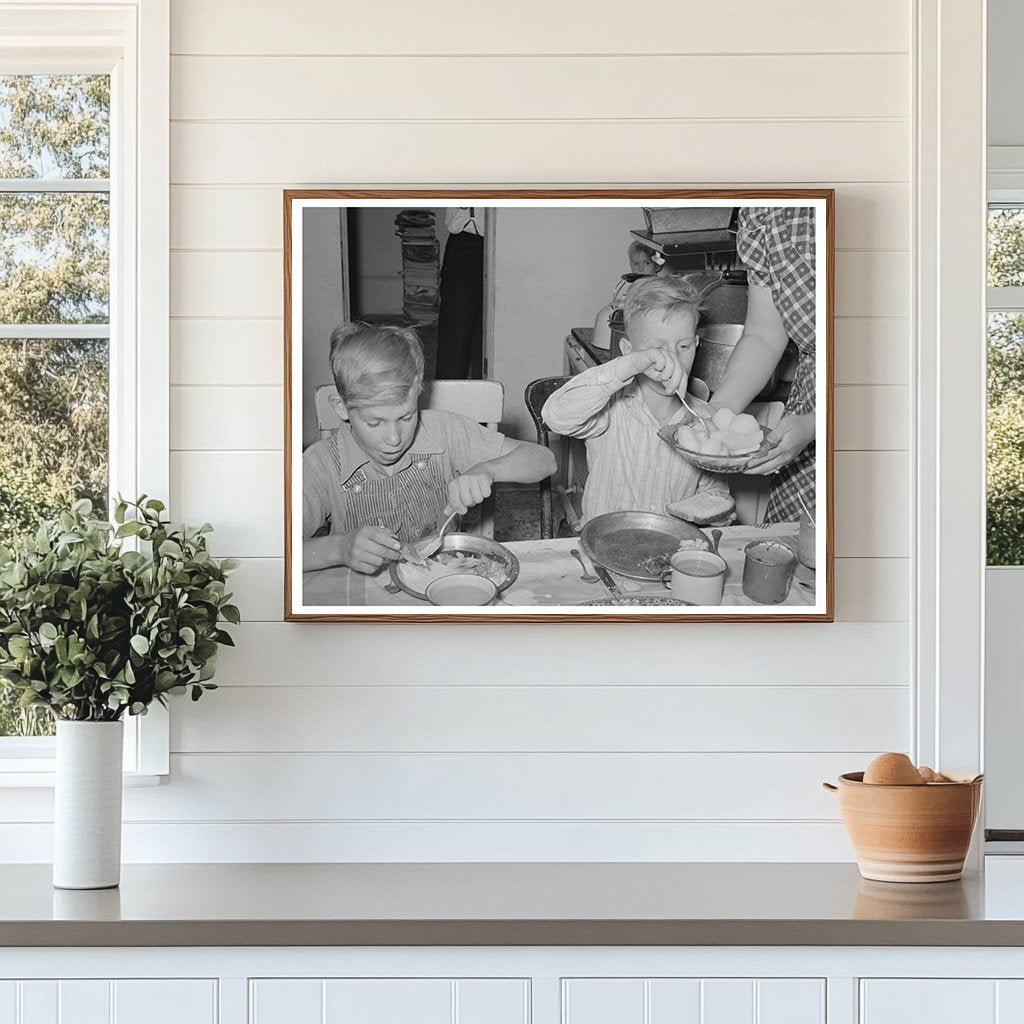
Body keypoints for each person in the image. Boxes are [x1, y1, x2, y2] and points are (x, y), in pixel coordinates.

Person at [302, 323, 555, 574]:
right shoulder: (320, 464)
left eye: (406, 417)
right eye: (374, 422)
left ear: (418, 392)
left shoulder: (443, 430)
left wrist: (489, 469)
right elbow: (274, 551)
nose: (394, 439)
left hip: (443, 576)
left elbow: (544, 460)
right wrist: (338, 548)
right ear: (341, 407)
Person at [542, 276, 730, 523]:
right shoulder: (612, 407)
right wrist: (628, 366)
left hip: (669, 548)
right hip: (606, 544)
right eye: (657, 349)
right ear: (629, 351)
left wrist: (716, 508)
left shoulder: (703, 418)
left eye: (683, 346)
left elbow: (714, 489)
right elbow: (556, 417)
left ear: (696, 344)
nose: (672, 358)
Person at [706, 206, 817, 522]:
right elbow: (763, 335)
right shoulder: (762, 213)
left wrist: (815, 423)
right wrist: (719, 410)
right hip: (809, 405)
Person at [435, 207, 484, 379]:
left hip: (504, 237)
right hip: (464, 242)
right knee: (455, 334)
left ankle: (487, 396)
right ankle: (447, 400)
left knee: (488, 337)